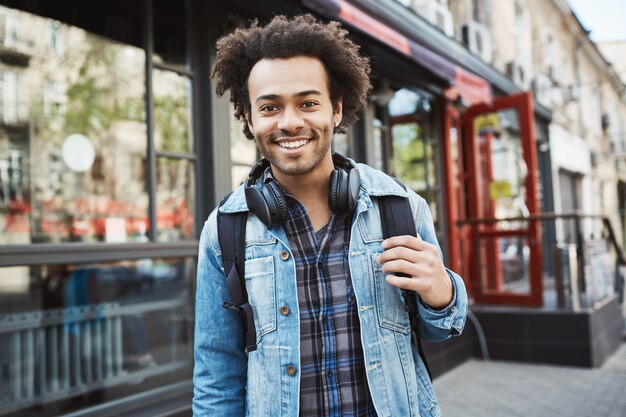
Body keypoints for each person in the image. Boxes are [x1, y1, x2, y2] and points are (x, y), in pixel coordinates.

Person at [193, 14, 468, 417]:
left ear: (336, 109)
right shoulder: (224, 230)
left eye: (308, 103)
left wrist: (442, 292)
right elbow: (217, 375)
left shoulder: (400, 207)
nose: (290, 122)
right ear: (250, 119)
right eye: (270, 107)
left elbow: (440, 330)